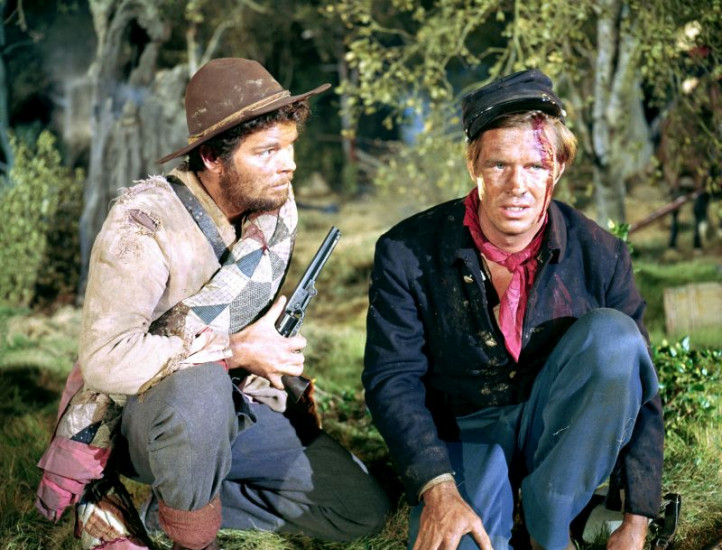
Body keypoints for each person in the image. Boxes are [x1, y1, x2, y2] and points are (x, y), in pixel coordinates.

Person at [37, 58, 389, 550]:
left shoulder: (273, 212)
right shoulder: (141, 223)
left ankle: (173, 506)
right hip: (150, 419)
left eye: (289, 146)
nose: (288, 164)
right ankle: (193, 534)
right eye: (267, 152)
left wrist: (264, 352)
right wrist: (236, 350)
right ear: (211, 158)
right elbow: (106, 360)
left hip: (234, 404)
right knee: (198, 389)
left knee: (359, 509)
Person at [362, 69, 663, 550]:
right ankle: (495, 501)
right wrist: (438, 488)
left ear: (558, 168)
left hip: (557, 438)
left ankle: (552, 524)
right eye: (499, 164)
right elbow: (391, 379)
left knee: (616, 338)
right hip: (463, 434)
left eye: (536, 165)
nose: (516, 185)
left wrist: (637, 518)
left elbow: (642, 390)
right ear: (473, 165)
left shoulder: (602, 254)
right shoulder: (406, 251)